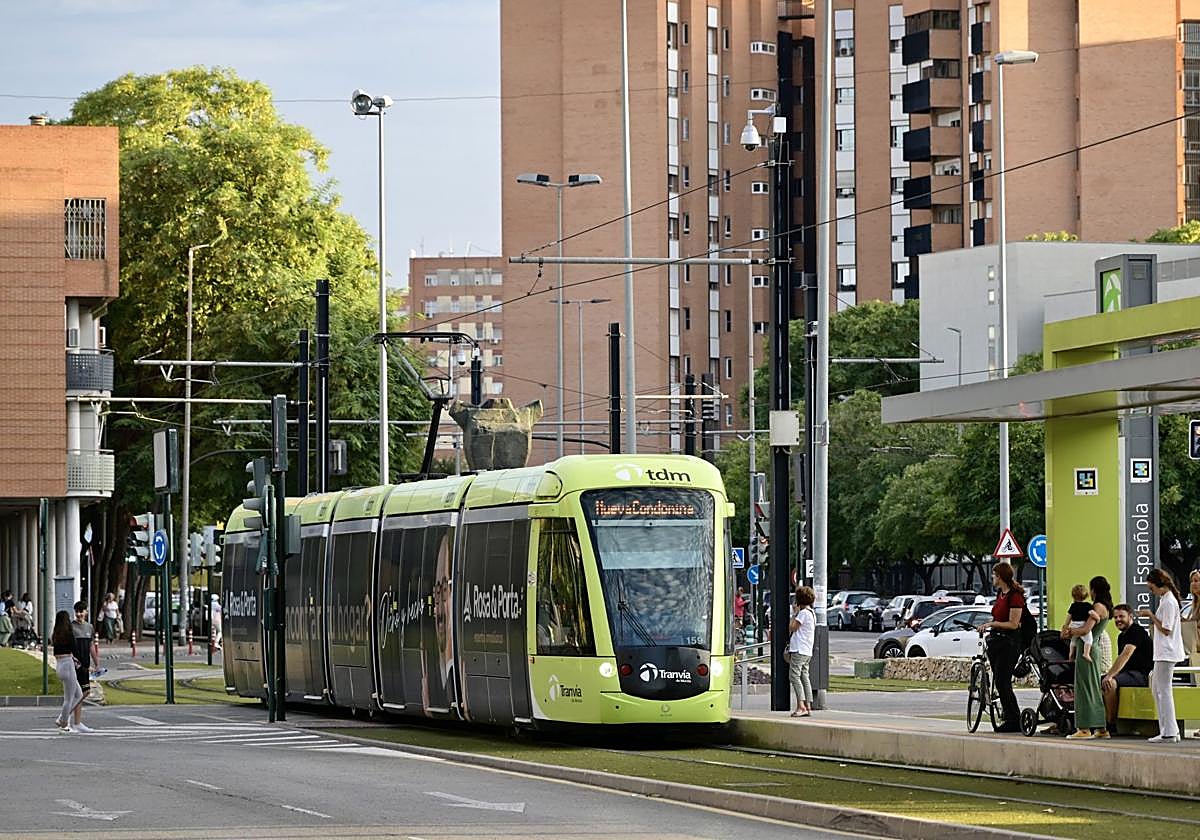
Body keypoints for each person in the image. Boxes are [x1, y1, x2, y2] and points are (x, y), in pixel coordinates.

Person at [1062, 575, 1113, 740]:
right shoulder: (1105, 606)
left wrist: (1070, 632)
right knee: (1093, 688)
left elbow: (1085, 630)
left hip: (1087, 651)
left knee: (1083, 689)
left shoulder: (1097, 607)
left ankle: (1084, 728)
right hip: (1093, 649)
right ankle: (1101, 728)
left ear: (1094, 590)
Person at [977, 562, 1026, 733]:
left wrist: (993, 623)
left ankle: (1014, 718)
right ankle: (1011, 715)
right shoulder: (1001, 594)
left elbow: (1013, 624)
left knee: (1003, 681)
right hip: (997, 641)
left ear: (1000, 577)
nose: (992, 578)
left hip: (1010, 643)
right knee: (999, 680)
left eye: (994, 575)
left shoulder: (1015, 597)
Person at [1140, 568, 1185, 743]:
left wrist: (1151, 615)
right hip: (1164, 651)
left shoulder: (1168, 602)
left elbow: (1166, 629)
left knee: (1162, 690)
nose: (1151, 592)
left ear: (1160, 585)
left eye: (1152, 588)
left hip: (1166, 652)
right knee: (1159, 689)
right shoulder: (1167, 600)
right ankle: (1168, 728)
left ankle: (1169, 731)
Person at [1100, 604, 1154, 730]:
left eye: (1121, 616)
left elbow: (1125, 655)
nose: (1118, 620)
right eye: (1116, 617)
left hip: (1142, 675)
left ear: (1130, 617)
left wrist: (1110, 676)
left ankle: (1111, 723)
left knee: (1110, 683)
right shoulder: (1121, 636)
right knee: (1098, 681)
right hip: (1129, 673)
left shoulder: (1136, 631)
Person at [70, 601, 99, 733]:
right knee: (78, 693)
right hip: (75, 665)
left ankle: (76, 722)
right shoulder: (71, 627)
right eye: (77, 611)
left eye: (81, 611)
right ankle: (65, 718)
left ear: (86, 612)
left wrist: (96, 662)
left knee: (83, 692)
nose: (79, 614)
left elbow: (91, 646)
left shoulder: (89, 627)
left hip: (85, 665)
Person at [51, 610, 82, 733]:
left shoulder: (55, 635)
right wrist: (82, 662)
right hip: (68, 665)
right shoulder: (69, 634)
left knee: (78, 695)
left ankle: (62, 717)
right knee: (69, 698)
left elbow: (58, 651)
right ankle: (63, 723)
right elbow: (75, 650)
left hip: (59, 664)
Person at [787, 585, 816, 718]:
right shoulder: (812, 613)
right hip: (807, 650)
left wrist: (794, 613)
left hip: (799, 649)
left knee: (794, 676)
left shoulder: (803, 614)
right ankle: (808, 705)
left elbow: (792, 627)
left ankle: (801, 706)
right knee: (805, 676)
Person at [1067, 584, 1094, 663]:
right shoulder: (1087, 605)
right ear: (1086, 595)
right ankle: (1086, 653)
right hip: (1082, 625)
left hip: (1073, 625)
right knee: (1089, 640)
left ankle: (1071, 655)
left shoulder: (1073, 606)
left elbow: (1069, 617)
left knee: (1073, 641)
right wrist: (1098, 618)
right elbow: (1092, 613)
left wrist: (1066, 626)